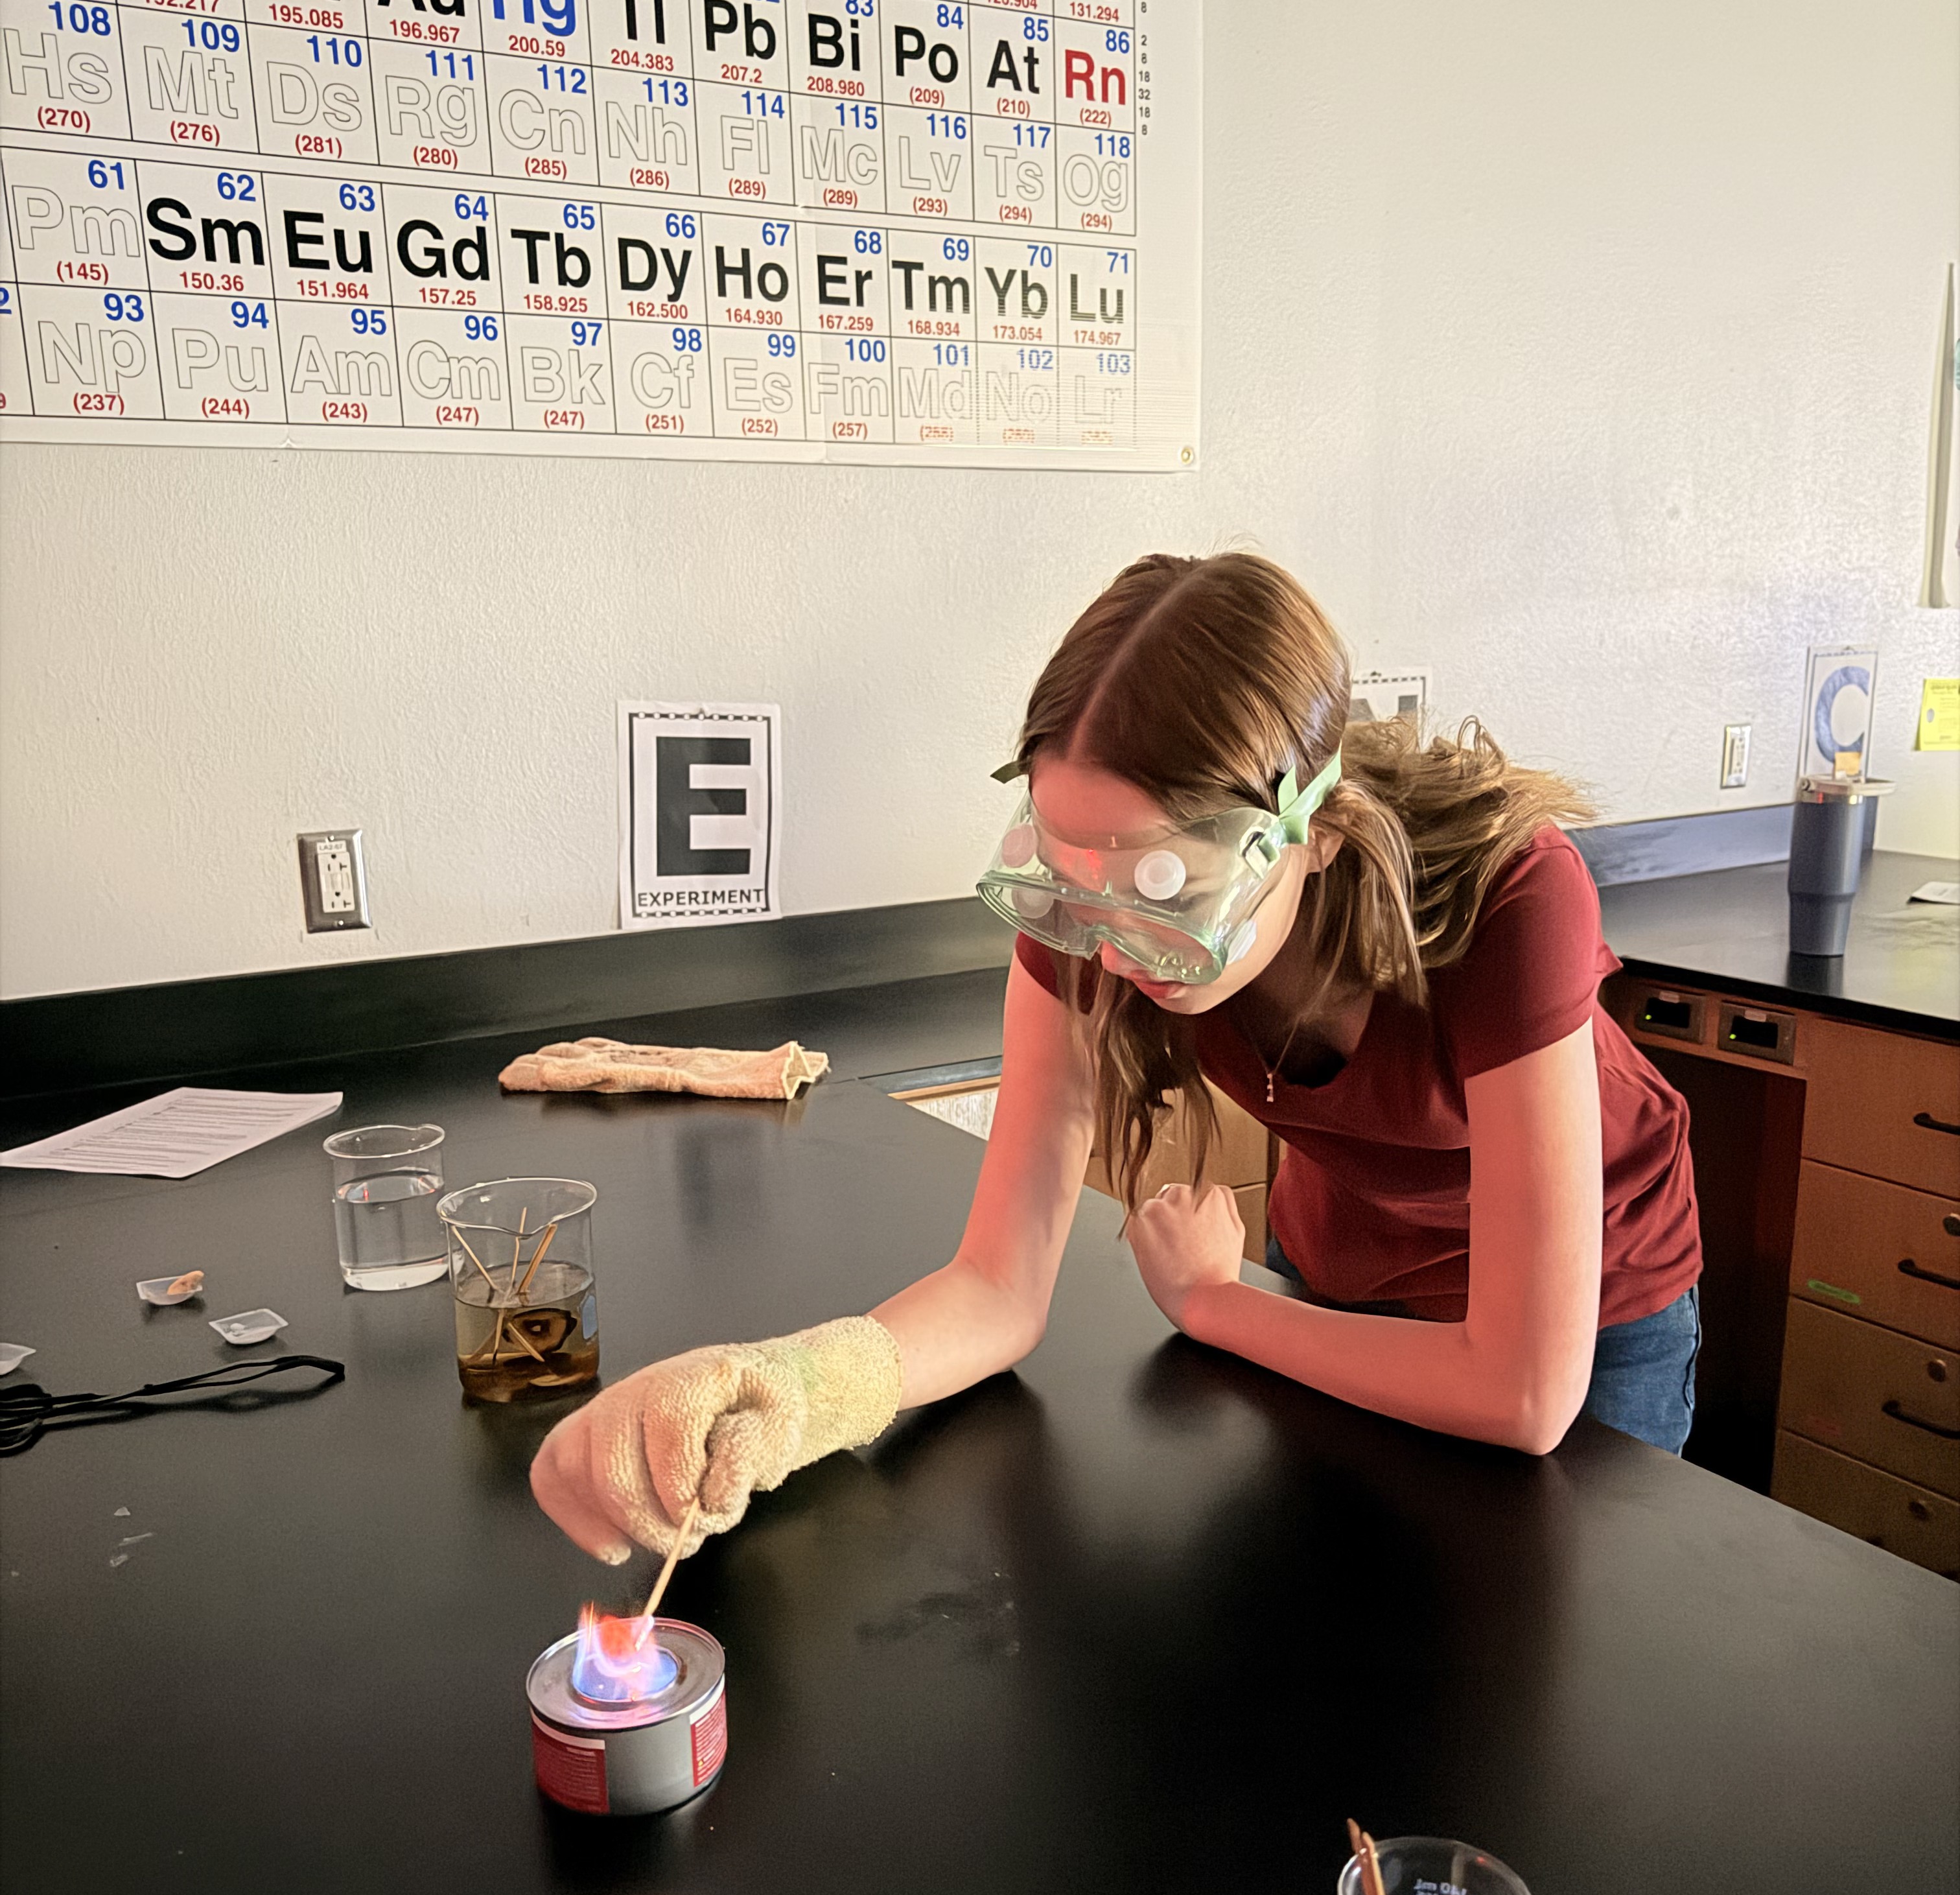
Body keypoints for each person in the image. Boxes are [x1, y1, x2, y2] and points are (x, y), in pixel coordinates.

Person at [531, 552, 1701, 1573]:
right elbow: (998, 1285)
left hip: (1591, 1309)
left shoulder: (1514, 902)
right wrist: (791, 1391)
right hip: (1345, 1274)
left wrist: (1217, 1304)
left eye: (1159, 883)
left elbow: (1522, 1394)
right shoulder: (1090, 918)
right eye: (1066, 869)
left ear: (1317, 833)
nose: (1104, 935)